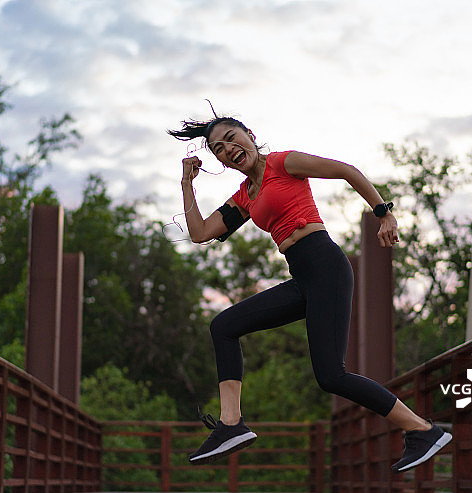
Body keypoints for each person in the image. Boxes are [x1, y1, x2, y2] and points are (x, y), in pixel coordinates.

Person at [167, 110, 452, 473]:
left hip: (326, 267)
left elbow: (346, 170)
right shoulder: (245, 196)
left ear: (249, 134)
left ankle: (423, 430)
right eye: (218, 149)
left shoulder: (285, 163)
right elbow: (200, 232)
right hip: (303, 276)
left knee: (331, 375)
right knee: (223, 326)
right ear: (220, 160)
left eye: (230, 138)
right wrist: (186, 184)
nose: (227, 149)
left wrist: (384, 213)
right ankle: (231, 424)